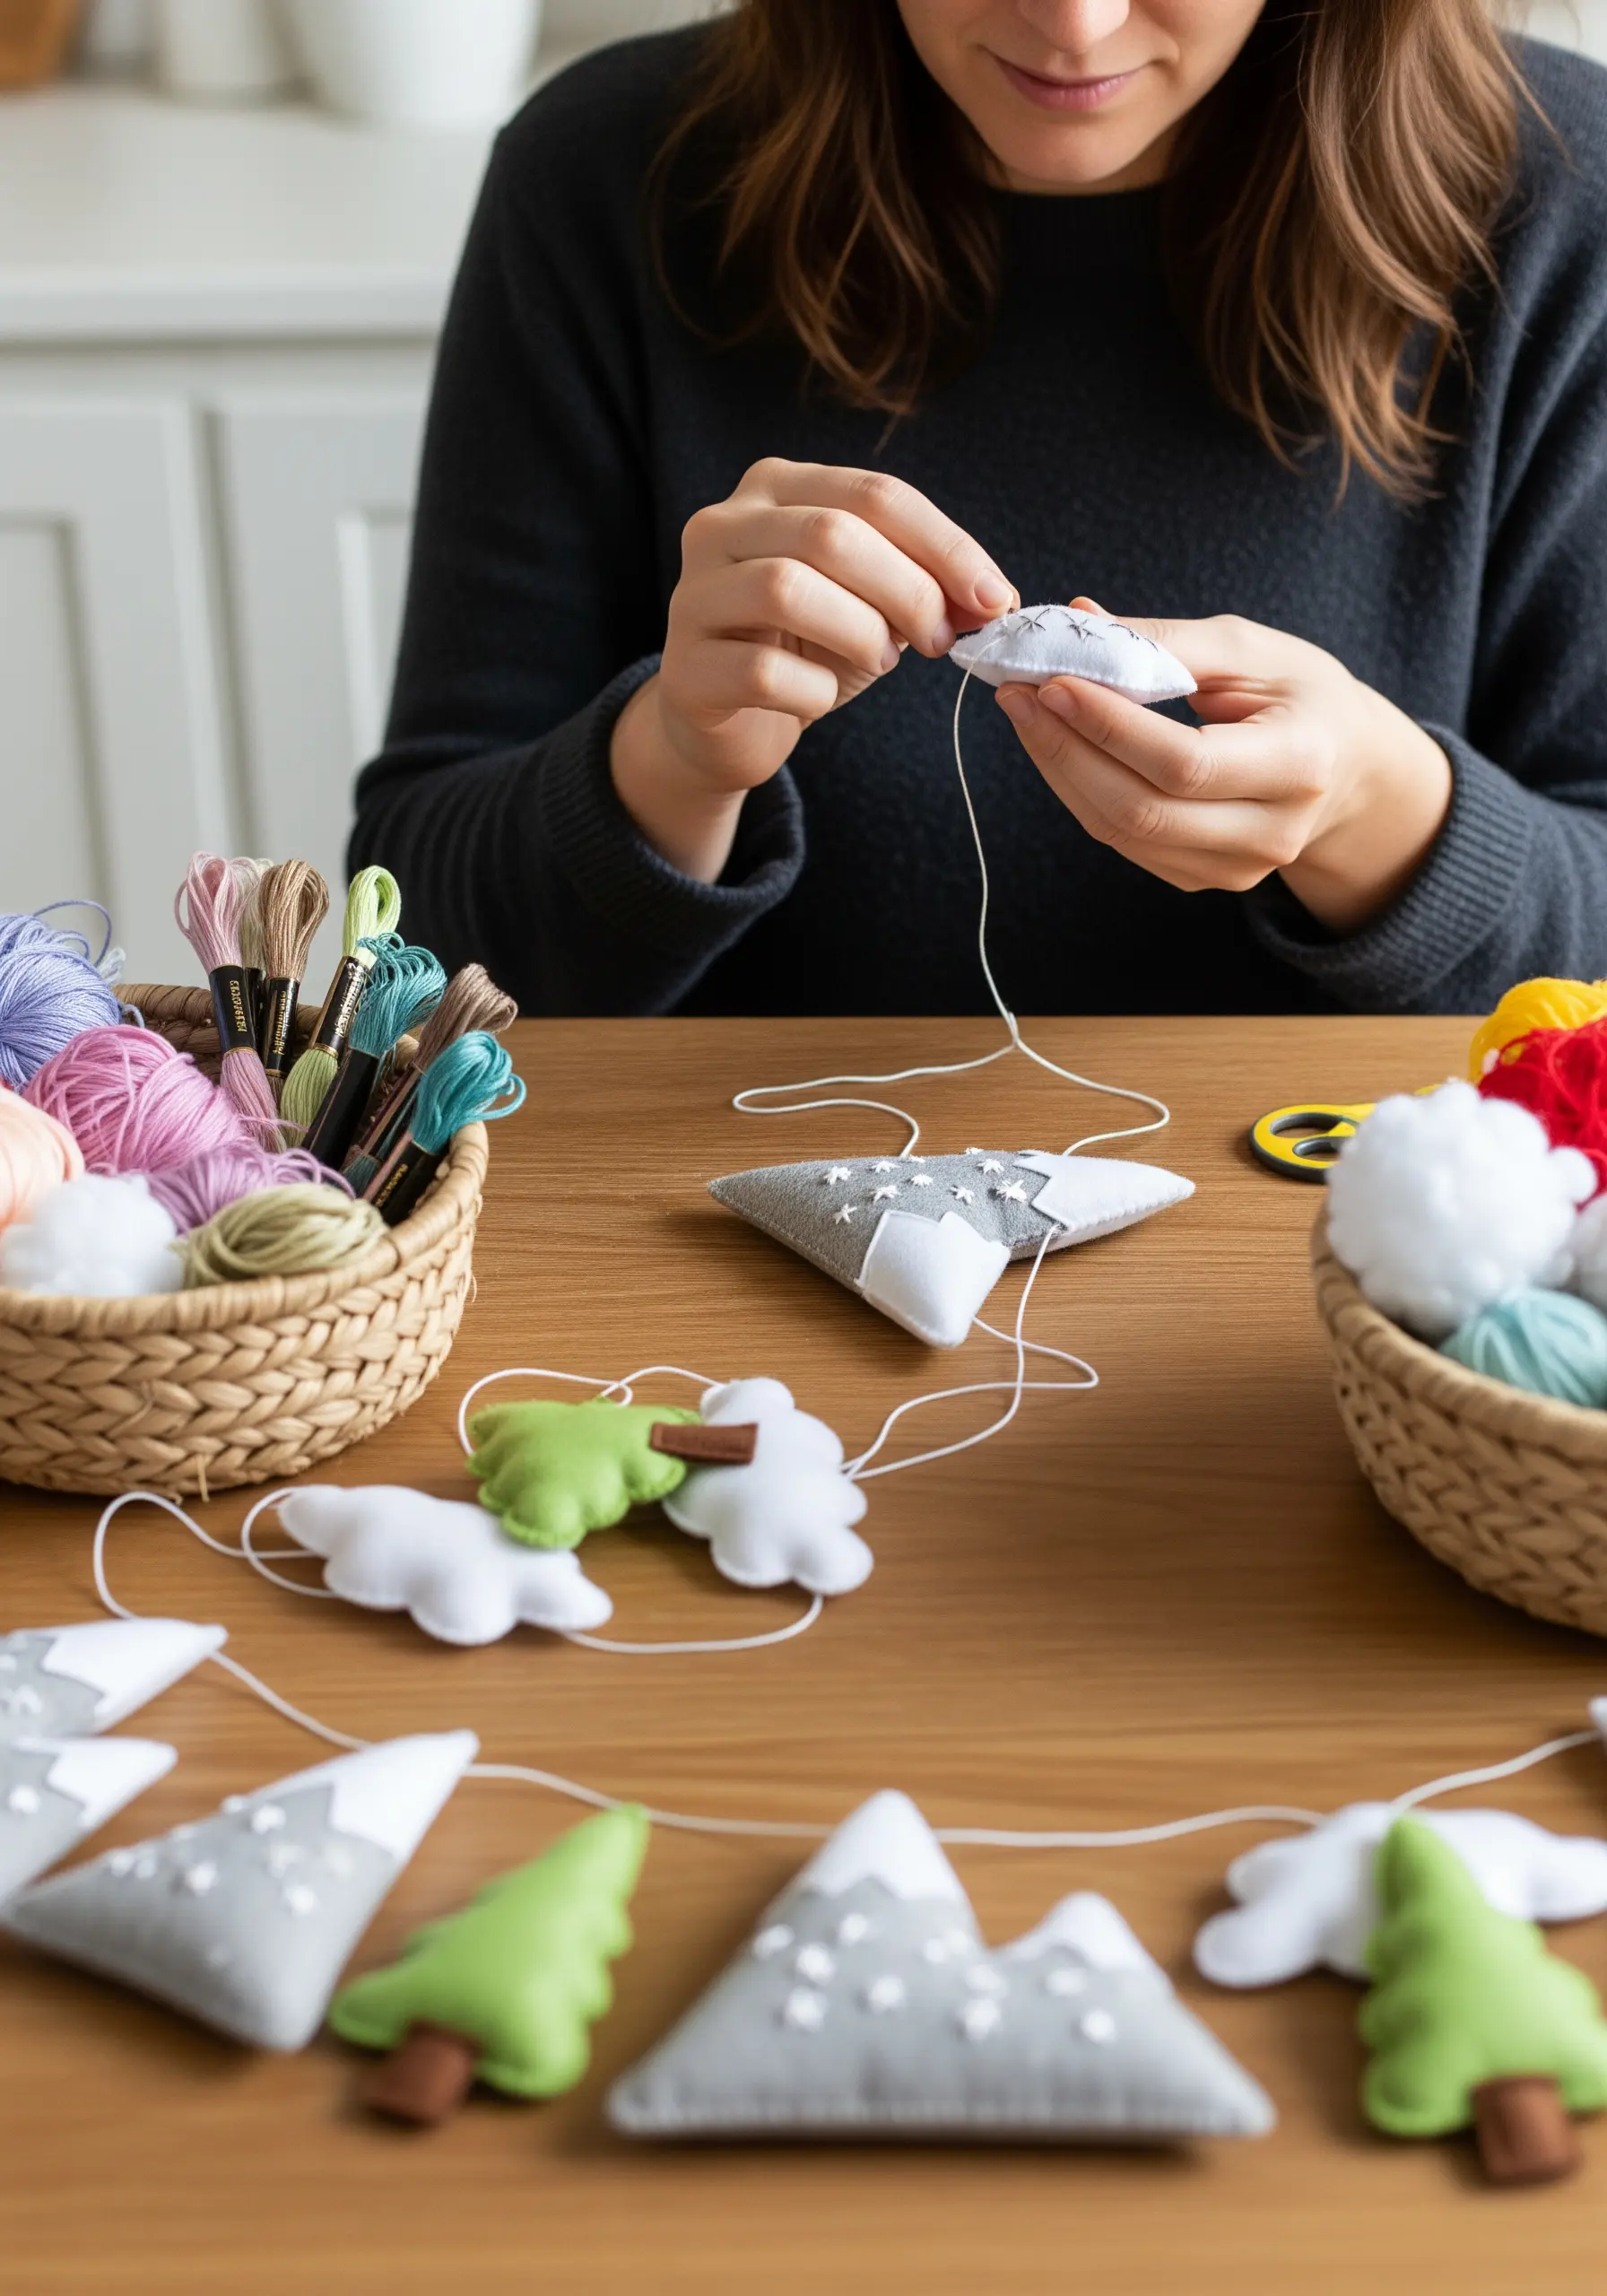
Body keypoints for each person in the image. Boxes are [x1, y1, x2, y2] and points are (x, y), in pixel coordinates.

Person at [352, 2, 1607, 1018]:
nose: (1075, 23)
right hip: (712, 1275)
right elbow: (408, 949)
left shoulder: (1560, 201)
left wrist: (1385, 822)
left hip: (1360, 1284)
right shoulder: (607, 179)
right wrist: (669, 764)